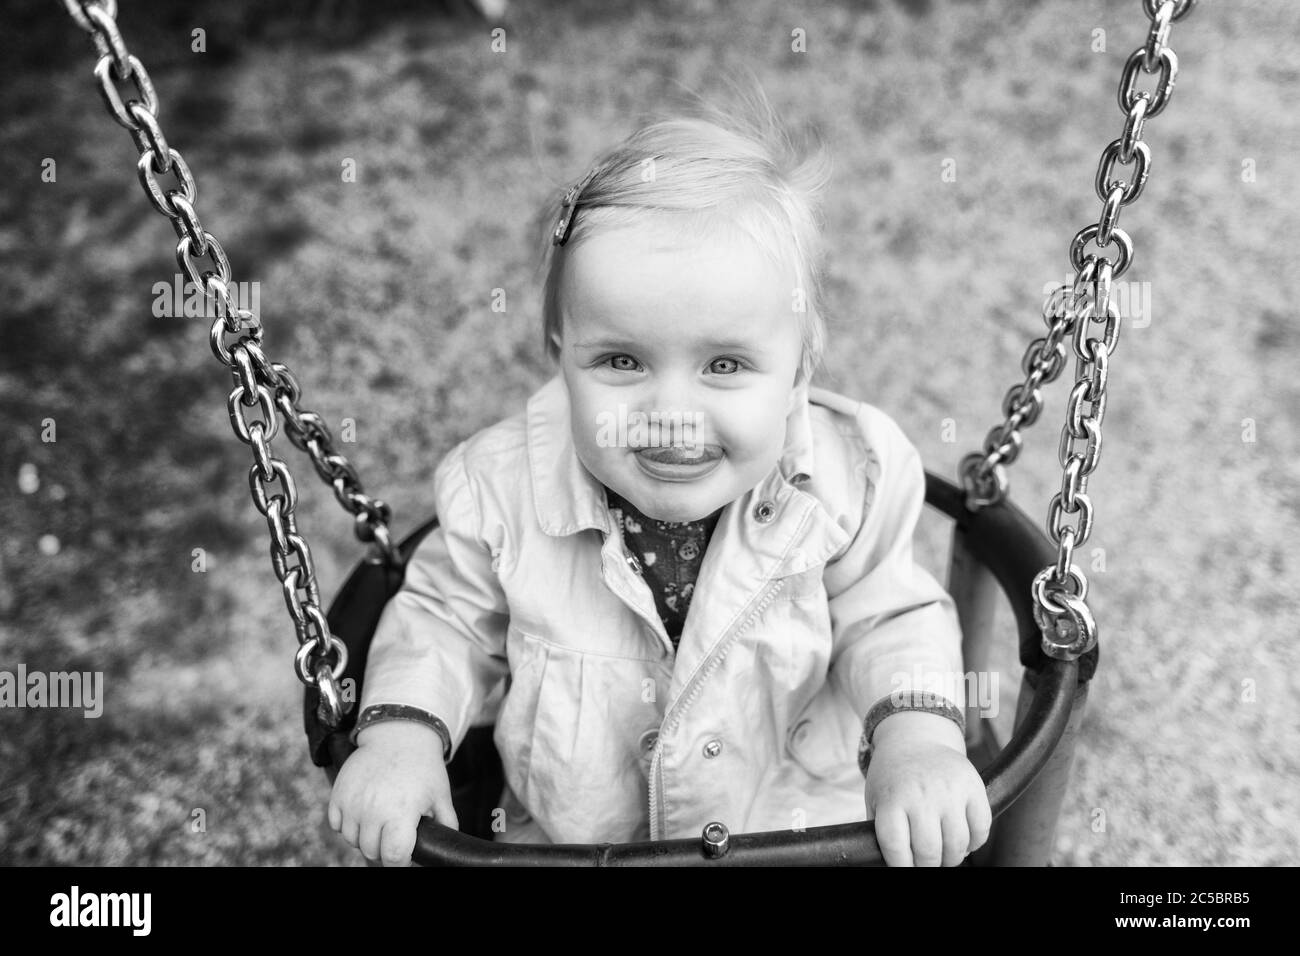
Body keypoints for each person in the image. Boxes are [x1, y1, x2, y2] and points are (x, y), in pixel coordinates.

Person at [328, 88, 991, 867]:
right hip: (576, 846)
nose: (671, 413)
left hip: (791, 836)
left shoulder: (848, 481)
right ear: (559, 350)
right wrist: (402, 735)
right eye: (621, 360)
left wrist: (917, 743)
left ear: (800, 369)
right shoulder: (500, 491)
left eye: (724, 365)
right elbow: (443, 618)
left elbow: (891, 615)